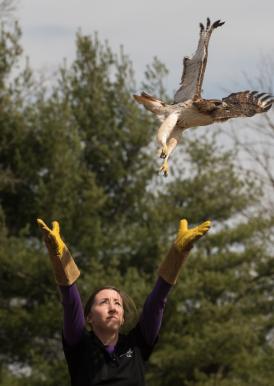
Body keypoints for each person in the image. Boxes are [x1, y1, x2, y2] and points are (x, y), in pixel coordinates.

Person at [37, 217, 211, 386]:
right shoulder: (79, 345)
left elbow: (157, 301)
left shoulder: (137, 344)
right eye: (104, 302)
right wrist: (59, 257)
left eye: (117, 304)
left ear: (123, 319)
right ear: (89, 317)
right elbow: (70, 302)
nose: (112, 308)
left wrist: (178, 254)